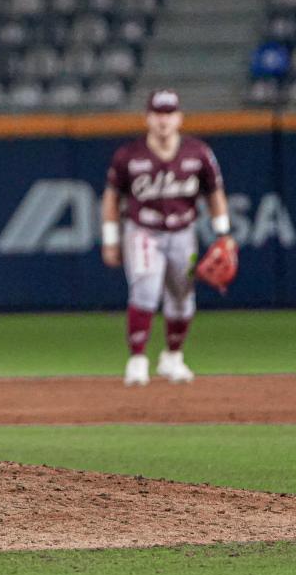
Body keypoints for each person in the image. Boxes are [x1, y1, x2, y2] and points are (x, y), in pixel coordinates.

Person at [100, 89, 233, 387]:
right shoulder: (128, 156)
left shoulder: (198, 153)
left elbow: (215, 193)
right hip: (143, 231)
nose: (163, 120)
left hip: (184, 233)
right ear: (148, 118)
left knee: (183, 298)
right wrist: (110, 238)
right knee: (145, 289)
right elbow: (111, 198)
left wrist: (223, 232)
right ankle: (137, 359)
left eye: (169, 113)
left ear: (179, 118)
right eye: (158, 114)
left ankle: (172, 357)